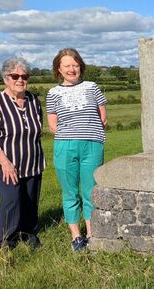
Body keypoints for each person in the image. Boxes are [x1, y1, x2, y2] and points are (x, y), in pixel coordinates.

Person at [46, 48, 108, 251]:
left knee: (90, 190)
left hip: (92, 143)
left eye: (75, 64)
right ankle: (76, 237)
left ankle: (91, 233)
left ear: (80, 66)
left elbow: (103, 117)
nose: (72, 69)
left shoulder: (92, 87)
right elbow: (52, 124)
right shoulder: (53, 93)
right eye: (67, 65)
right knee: (70, 192)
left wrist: (89, 132)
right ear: (59, 69)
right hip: (65, 146)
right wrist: (70, 134)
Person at [0, 57, 45, 249]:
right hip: (6, 162)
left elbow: (38, 128)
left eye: (24, 76)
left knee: (30, 201)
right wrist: (5, 163)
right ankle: (3, 240)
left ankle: (27, 234)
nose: (20, 80)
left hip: (32, 160)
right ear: (6, 79)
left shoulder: (33, 100)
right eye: (15, 76)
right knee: (12, 200)